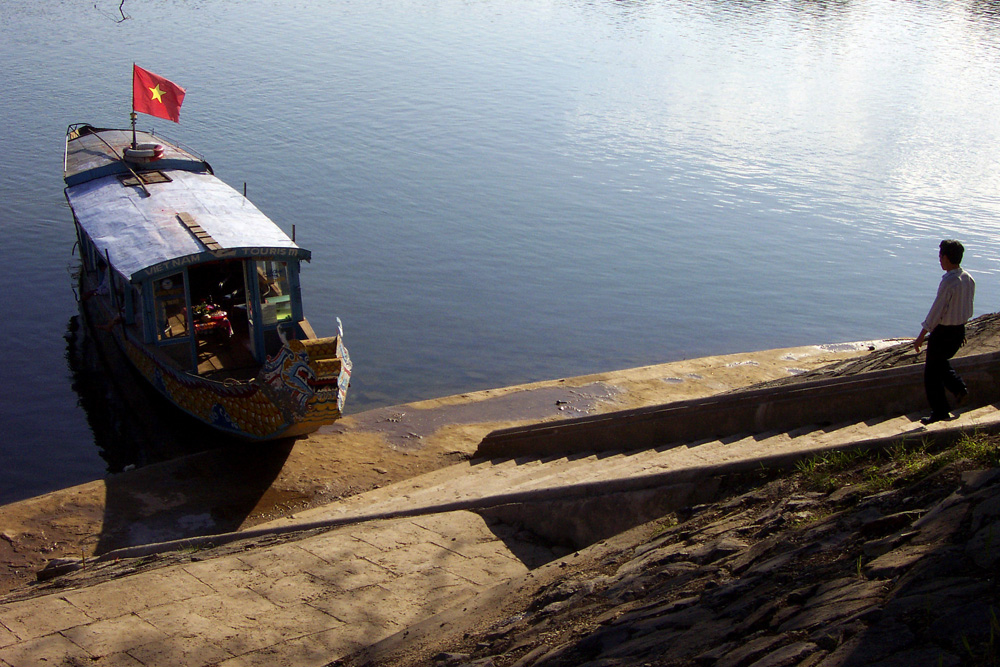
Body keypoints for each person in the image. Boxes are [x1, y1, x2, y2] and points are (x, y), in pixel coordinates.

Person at [913, 239, 975, 424]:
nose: (939, 260)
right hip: (958, 331)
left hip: (943, 333)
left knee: (931, 374)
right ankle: (957, 390)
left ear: (946, 258)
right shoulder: (968, 278)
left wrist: (921, 336)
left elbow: (936, 312)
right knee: (940, 365)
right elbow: (967, 308)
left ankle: (943, 407)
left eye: (940, 256)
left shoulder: (949, 282)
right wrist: (962, 328)